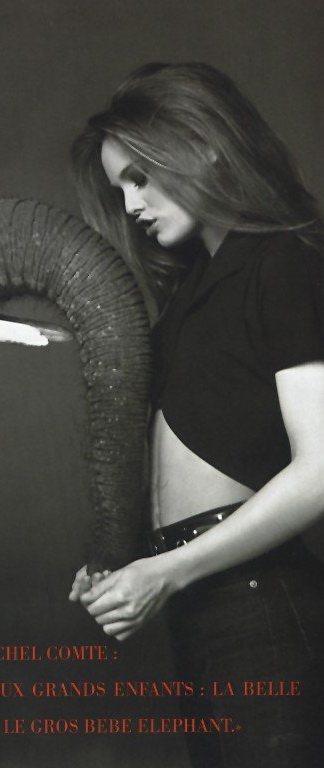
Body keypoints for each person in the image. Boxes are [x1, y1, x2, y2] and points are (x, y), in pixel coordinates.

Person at [68, 62, 324, 767]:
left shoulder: (282, 261)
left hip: (259, 604)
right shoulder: (190, 293)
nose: (130, 205)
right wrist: (126, 564)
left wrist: (167, 572)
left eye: (139, 178)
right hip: (202, 605)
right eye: (119, 188)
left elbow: (322, 470)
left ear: (203, 146)